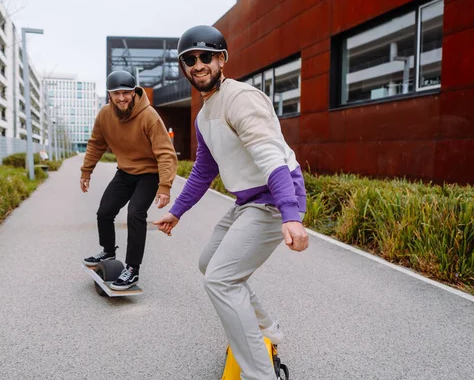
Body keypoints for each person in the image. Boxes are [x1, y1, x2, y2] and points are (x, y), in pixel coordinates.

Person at [154, 25, 309, 380]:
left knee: (221, 280)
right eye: (189, 60)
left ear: (221, 59)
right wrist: (176, 212)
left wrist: (290, 214)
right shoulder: (203, 115)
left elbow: (271, 156)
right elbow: (204, 171)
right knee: (210, 264)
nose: (198, 65)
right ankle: (267, 328)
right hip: (248, 201)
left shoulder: (241, 98)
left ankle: (260, 376)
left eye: (205, 56)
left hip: (273, 199)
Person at [81, 70, 177, 290]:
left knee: (135, 213)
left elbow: (165, 152)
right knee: (104, 211)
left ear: (134, 93)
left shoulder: (149, 116)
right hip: (125, 172)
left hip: (149, 174)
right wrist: (86, 171)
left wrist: (165, 186)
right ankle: (107, 250)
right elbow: (96, 143)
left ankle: (132, 269)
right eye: (117, 93)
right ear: (109, 95)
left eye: (126, 93)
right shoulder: (104, 115)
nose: (121, 98)